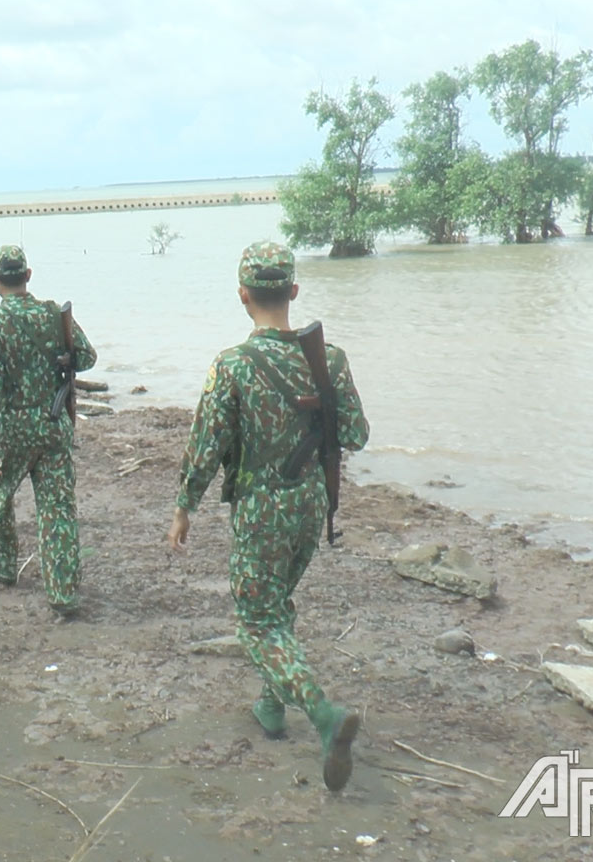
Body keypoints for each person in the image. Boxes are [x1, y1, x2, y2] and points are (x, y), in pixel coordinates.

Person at [166, 240, 370, 792]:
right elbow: (356, 434)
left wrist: (185, 506)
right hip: (311, 506)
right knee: (276, 605)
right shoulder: (327, 359)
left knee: (257, 620)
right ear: (294, 292)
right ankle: (269, 705)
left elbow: (205, 445)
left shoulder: (232, 366)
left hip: (260, 509)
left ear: (243, 296)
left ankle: (322, 714)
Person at [0, 245, 96, 616]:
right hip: (54, 426)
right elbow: (87, 357)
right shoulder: (52, 315)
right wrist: (63, 357)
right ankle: (62, 591)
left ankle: (2, 565)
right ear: (28, 276)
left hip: (12, 431)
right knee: (58, 509)